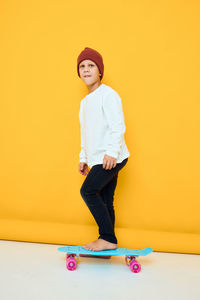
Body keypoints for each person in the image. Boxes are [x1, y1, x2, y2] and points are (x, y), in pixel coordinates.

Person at [77, 47, 130, 251]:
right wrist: (84, 157)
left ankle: (106, 237)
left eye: (91, 65)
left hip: (113, 156)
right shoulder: (84, 103)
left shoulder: (108, 94)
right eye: (82, 66)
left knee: (88, 191)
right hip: (98, 158)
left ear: (100, 70)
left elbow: (118, 125)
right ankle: (110, 242)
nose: (86, 69)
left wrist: (112, 153)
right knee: (106, 199)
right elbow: (86, 132)